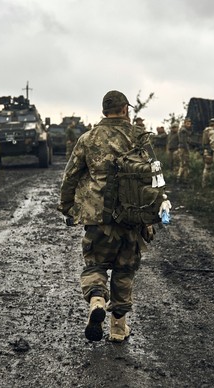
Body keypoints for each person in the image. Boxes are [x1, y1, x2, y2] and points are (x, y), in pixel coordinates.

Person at [58, 90, 155, 343]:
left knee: (96, 265)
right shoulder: (139, 138)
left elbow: (70, 176)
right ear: (125, 109)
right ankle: (118, 328)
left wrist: (67, 206)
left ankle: (97, 301)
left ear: (104, 111)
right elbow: (155, 178)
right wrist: (152, 218)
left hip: (97, 215)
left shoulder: (88, 138)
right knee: (125, 271)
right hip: (132, 216)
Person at [201, 118, 214, 188]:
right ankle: (205, 185)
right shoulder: (213, 132)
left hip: (205, 150)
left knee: (206, 167)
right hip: (209, 151)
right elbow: (212, 143)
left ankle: (204, 183)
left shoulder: (206, 130)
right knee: (208, 168)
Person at [176, 118, 192, 182]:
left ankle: (181, 178)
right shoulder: (184, 131)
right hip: (183, 148)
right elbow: (184, 141)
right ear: (184, 123)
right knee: (184, 164)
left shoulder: (183, 130)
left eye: (190, 123)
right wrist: (187, 149)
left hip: (182, 148)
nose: (189, 125)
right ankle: (181, 178)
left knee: (183, 164)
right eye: (187, 123)